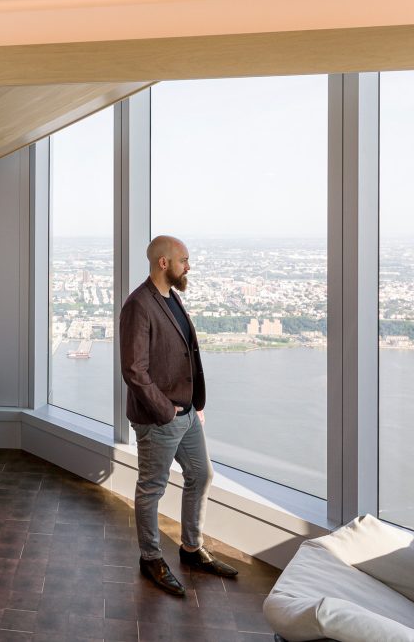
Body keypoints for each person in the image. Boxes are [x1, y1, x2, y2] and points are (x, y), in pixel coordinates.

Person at [118, 235, 238, 597]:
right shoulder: (139, 305)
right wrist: (166, 410)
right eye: (184, 259)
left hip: (186, 413)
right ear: (164, 263)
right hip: (160, 418)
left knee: (201, 475)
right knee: (151, 489)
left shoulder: (172, 298)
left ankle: (190, 548)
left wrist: (192, 405)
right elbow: (133, 369)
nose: (190, 265)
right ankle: (150, 557)